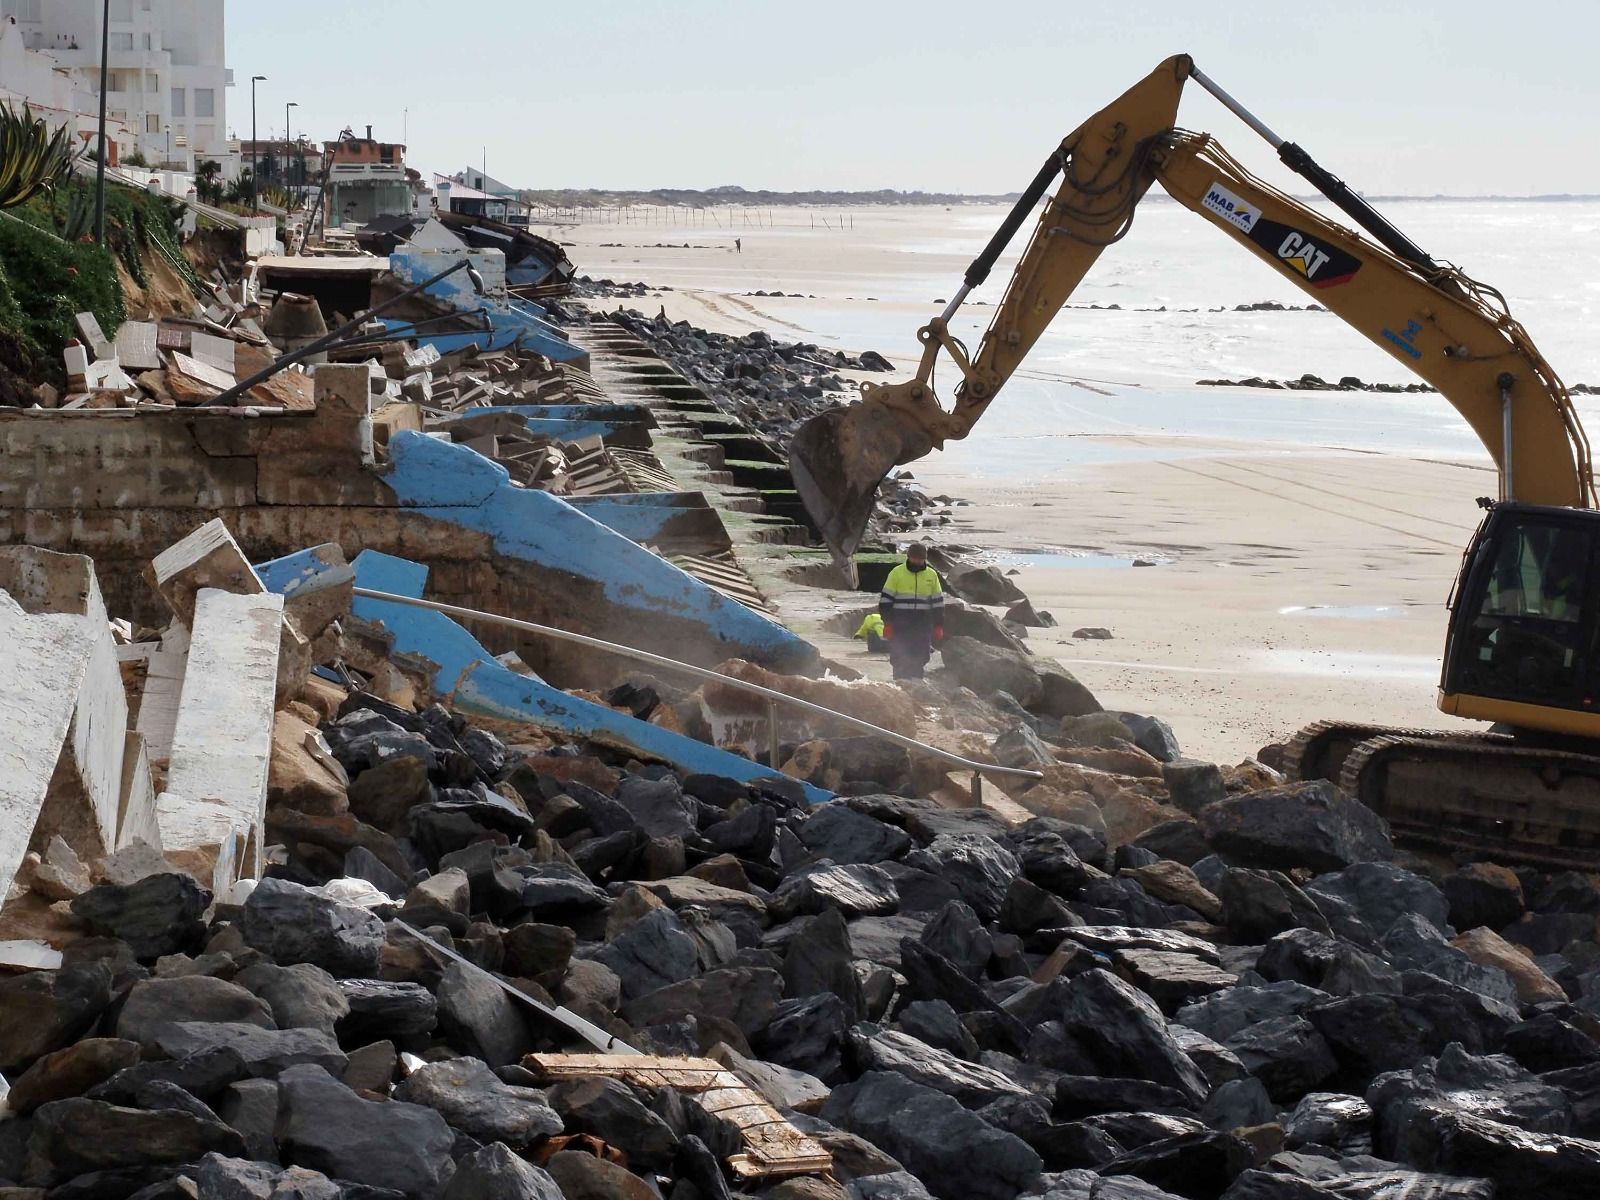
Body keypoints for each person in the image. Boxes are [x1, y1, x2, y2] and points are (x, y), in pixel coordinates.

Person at [879, 542, 944, 681]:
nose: (917, 561)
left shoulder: (931, 575)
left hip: (923, 624)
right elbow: (885, 601)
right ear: (908, 557)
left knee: (921, 655)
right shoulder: (896, 573)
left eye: (920, 559)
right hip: (900, 623)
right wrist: (887, 623)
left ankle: (916, 682)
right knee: (899, 655)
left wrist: (938, 625)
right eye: (915, 558)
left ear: (924, 559)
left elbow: (938, 603)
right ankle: (899, 682)